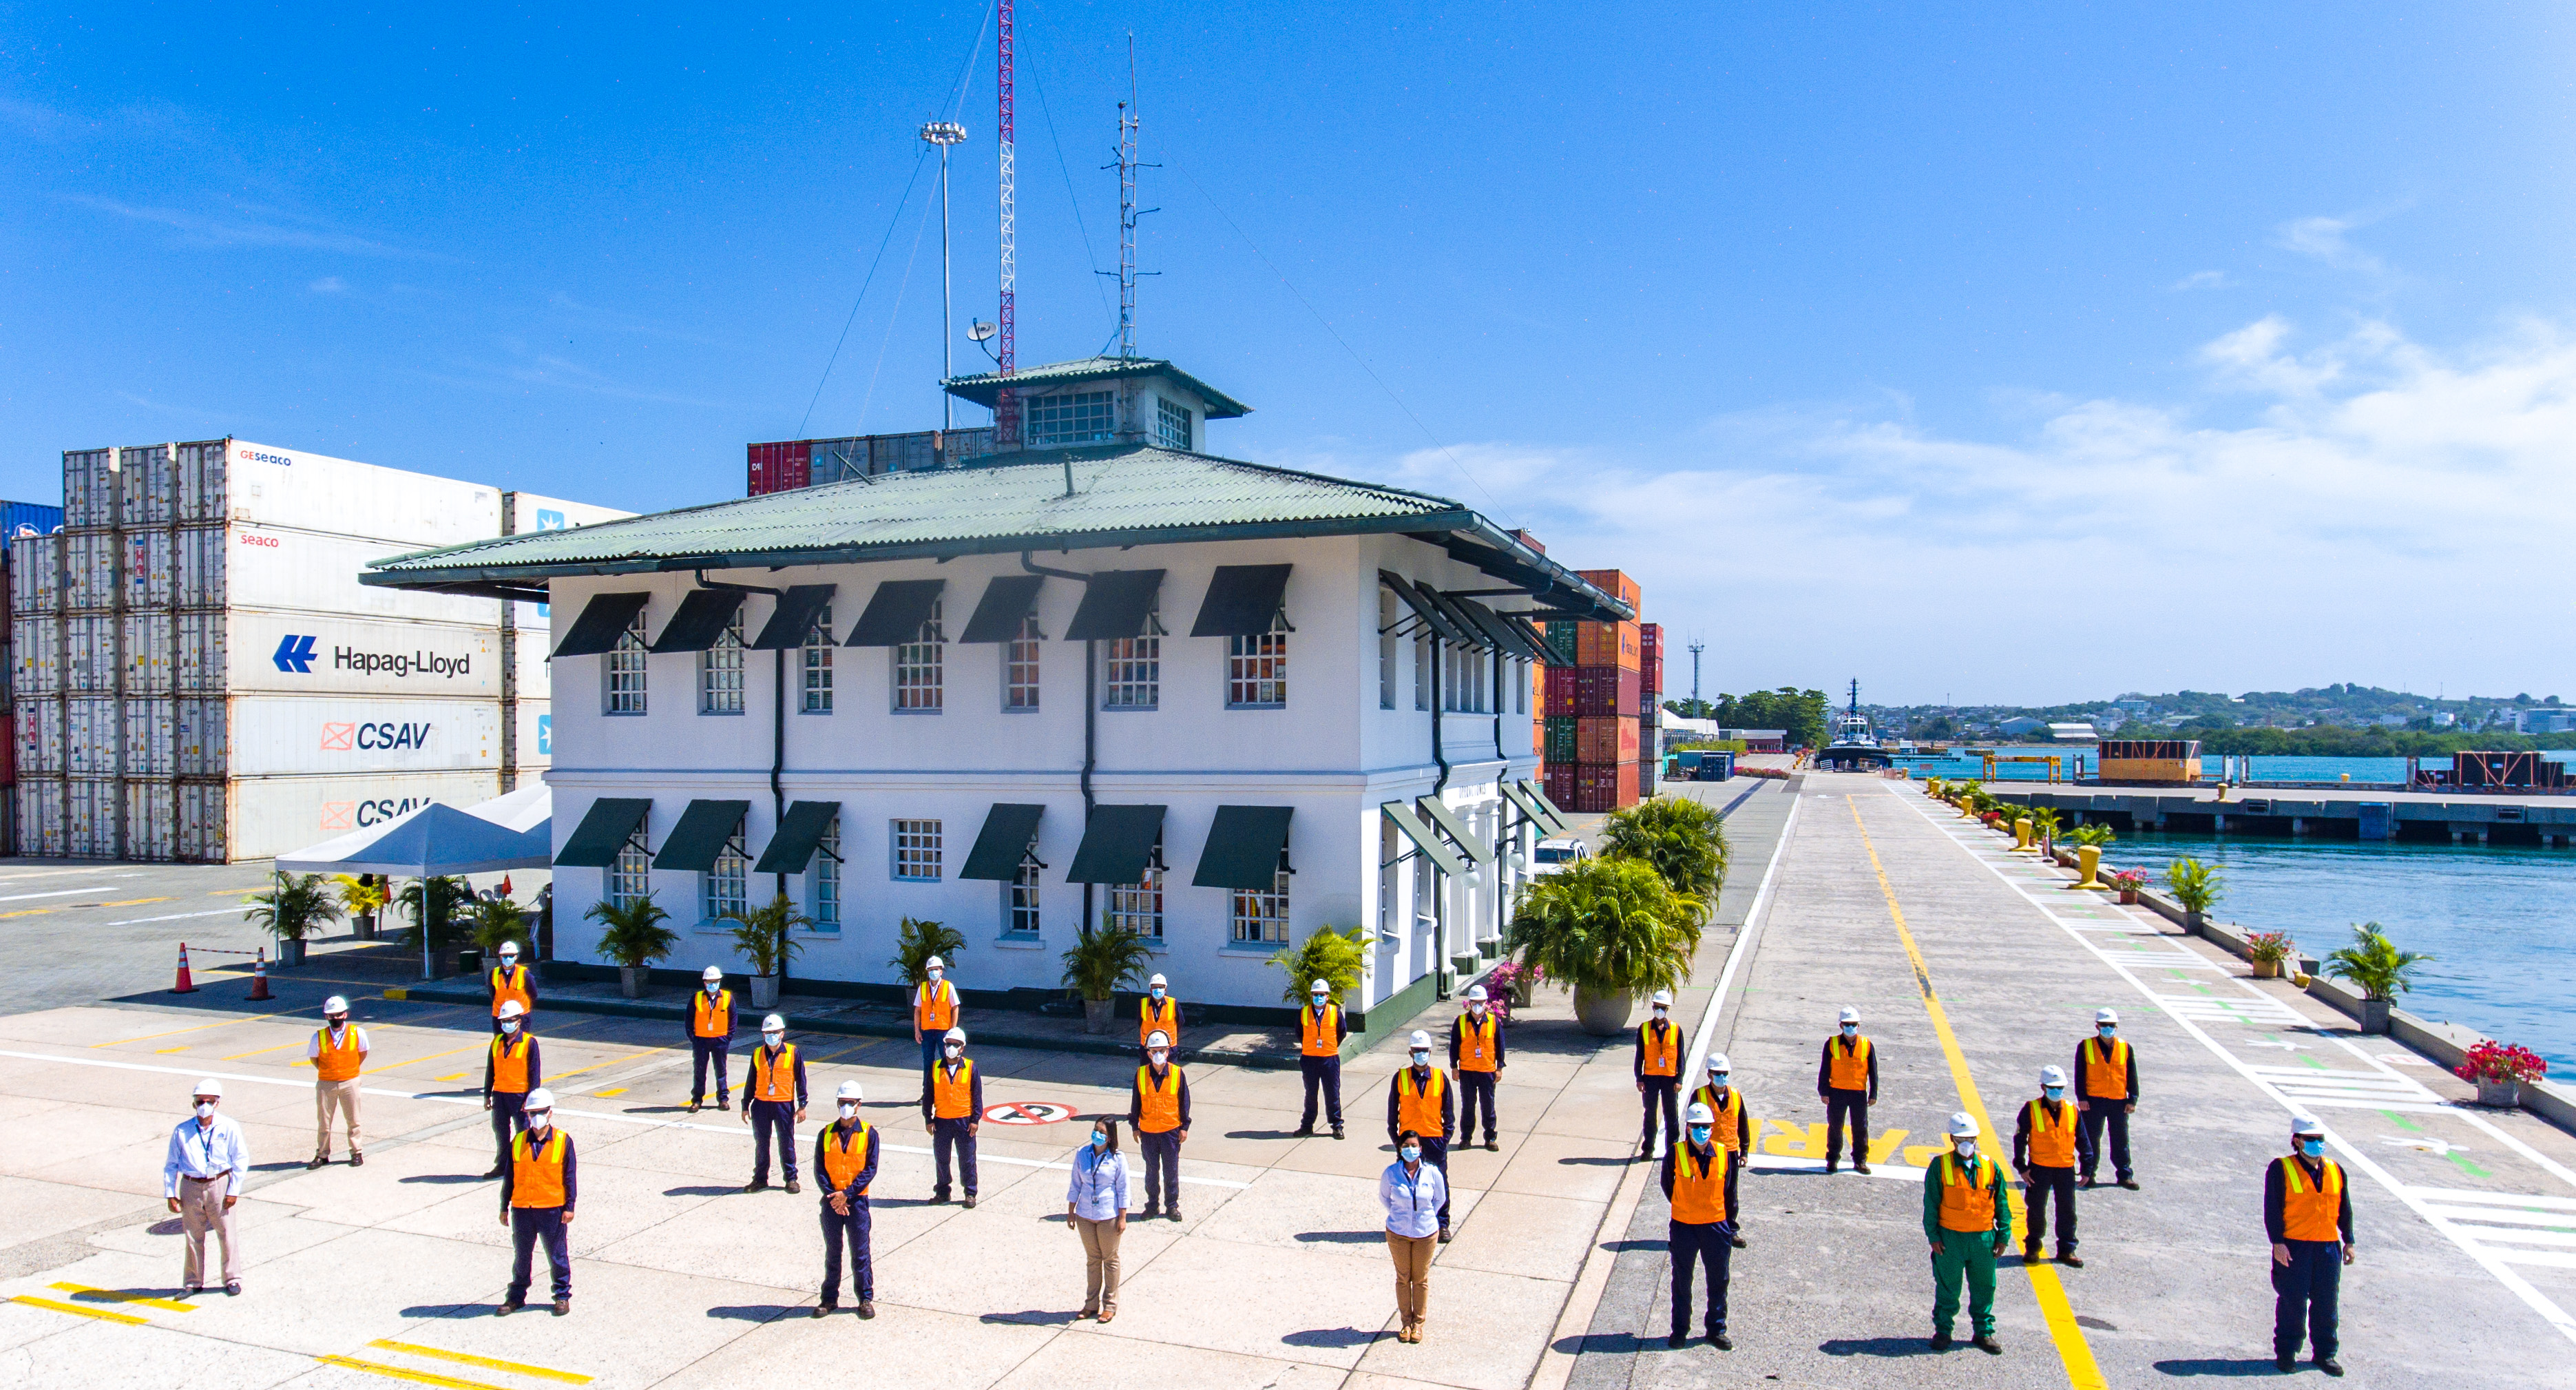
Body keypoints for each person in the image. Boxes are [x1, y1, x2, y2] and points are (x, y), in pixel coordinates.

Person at [2266, 1117, 2353, 1376]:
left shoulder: (2336, 1169)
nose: (2316, 1144)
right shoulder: (2281, 1168)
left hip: (2327, 1247)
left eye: (2320, 1139)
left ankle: (2325, 1354)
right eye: (2310, 1139)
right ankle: (2286, 1353)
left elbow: (2344, 1208)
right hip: (2295, 1246)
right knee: (2293, 1301)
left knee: (2327, 1303)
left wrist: (2349, 1240)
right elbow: (2273, 1208)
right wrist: (2277, 1242)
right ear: (2296, 1141)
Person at [1924, 1112, 2011, 1353]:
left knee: (1985, 1287)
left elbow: (2002, 1203)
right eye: (1961, 1138)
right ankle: (1943, 1331)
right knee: (1948, 1287)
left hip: (1983, 1239)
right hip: (1951, 1239)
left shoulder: (1991, 1167)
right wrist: (1934, 1237)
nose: (1966, 1143)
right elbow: (1931, 1204)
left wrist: (2003, 1235)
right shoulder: (1940, 1166)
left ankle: (1983, 1332)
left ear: (1976, 1138)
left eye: (1970, 1138)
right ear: (1951, 1139)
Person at [162, 1079, 248, 1296]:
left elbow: (240, 1159)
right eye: (201, 1101)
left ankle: (232, 1278)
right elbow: (171, 1164)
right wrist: (170, 1194)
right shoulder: (182, 1131)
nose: (204, 1105)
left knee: (226, 1233)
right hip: (191, 1185)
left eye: (209, 1101)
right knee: (193, 1235)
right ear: (194, 1104)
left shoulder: (228, 1127)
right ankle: (193, 1281)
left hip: (219, 1183)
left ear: (217, 1103)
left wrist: (233, 1190)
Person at [1662, 1101, 1737, 1350]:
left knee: (1718, 1279)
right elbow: (1667, 1185)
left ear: (1712, 1128)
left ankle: (1716, 1329)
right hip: (1684, 1226)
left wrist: (1726, 1223)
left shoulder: (1724, 1153)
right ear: (1688, 1128)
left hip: (1715, 1226)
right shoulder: (1676, 1152)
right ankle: (1680, 1330)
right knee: (1682, 1280)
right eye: (1696, 1127)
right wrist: (1685, 1205)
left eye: (1706, 1127)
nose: (1701, 1132)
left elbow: (1730, 1191)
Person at [497, 1088, 574, 1316]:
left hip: (552, 1209)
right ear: (527, 1114)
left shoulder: (563, 1141)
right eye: (532, 1112)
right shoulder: (518, 1140)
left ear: (550, 1113)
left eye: (541, 1111)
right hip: (523, 1209)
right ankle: (516, 1298)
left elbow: (569, 1176)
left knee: (557, 1255)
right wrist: (504, 1206)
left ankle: (562, 1296)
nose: (537, 1116)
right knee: (522, 1256)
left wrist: (570, 1207)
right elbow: (510, 1176)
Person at [813, 1079, 879, 1318]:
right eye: (842, 1102)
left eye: (850, 1103)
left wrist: (847, 1194)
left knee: (860, 1252)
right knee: (833, 1251)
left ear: (859, 1105)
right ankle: (829, 1299)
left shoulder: (869, 1134)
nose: (845, 1107)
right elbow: (820, 1169)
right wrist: (833, 1197)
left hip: (857, 1203)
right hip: (832, 1203)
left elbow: (870, 1169)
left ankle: (865, 1298)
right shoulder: (826, 1134)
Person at [1386, 1030, 1456, 1242]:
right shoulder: (1400, 1078)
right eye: (1417, 1051)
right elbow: (1392, 1114)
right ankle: (1408, 1223)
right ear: (1410, 1053)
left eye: (1424, 1051)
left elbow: (1449, 1114)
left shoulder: (1440, 1077)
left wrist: (1444, 1140)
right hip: (1408, 1142)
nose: (1421, 1054)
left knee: (1438, 1183)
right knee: (1407, 1184)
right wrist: (1398, 1142)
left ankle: (1442, 1224)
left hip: (1434, 1139)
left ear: (1430, 1052)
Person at [1380, 1128, 1449, 1343]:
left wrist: (1424, 1217)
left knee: (1420, 1279)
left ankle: (1418, 1324)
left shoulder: (1432, 1172)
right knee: (1403, 1278)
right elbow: (1385, 1199)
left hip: (1425, 1234)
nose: (1410, 1150)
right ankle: (1405, 1323)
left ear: (1420, 1149)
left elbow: (1440, 1199)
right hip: (1398, 1233)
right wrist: (1402, 1215)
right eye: (1406, 1146)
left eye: (1414, 1146)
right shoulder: (1391, 1173)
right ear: (1400, 1149)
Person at [2013, 1066, 2083, 1267]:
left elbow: (2083, 1139)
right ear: (2043, 1087)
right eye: (2052, 1087)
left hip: (2065, 1168)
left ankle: (2067, 1250)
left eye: (2060, 1087)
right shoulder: (2031, 1108)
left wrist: (2087, 1167)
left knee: (2067, 1211)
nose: (2056, 1091)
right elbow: (2020, 1138)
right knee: (2036, 1210)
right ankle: (2033, 1248)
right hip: (2039, 1169)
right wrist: (2022, 1166)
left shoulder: (2072, 1110)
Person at [1067, 1117, 1131, 1323]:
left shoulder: (1117, 1159)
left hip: (1108, 1215)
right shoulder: (1082, 1154)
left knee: (1109, 1259)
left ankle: (1110, 1305)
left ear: (1110, 1136)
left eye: (1101, 1131)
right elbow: (1076, 1183)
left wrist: (1122, 1217)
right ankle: (1091, 1304)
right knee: (1093, 1260)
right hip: (1085, 1214)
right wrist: (1071, 1210)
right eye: (1095, 1129)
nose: (1097, 1134)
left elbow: (1123, 1189)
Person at [1688, 1053, 1752, 1248]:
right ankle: (1701, 1229)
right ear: (1709, 1074)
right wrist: (1692, 1151)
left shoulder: (1735, 1095)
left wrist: (1745, 1151)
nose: (1721, 1077)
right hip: (1708, 1152)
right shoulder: (1699, 1096)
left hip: (1731, 1152)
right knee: (1705, 1191)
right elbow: (1691, 1126)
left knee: (1730, 1193)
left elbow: (1743, 1123)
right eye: (1717, 1073)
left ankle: (1730, 1231)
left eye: (1724, 1073)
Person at [2074, 1007, 2140, 1190]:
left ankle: (2125, 1175)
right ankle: (2089, 1174)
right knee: (2091, 1139)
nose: (2108, 1028)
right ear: (2097, 1026)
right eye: (2104, 1025)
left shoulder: (2125, 1047)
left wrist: (2132, 1099)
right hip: (2093, 1101)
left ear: (2116, 1027)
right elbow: (2080, 1075)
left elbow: (2132, 1075)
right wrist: (2082, 1098)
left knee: (2120, 1139)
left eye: (2111, 1025)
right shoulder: (2085, 1046)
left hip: (2118, 1101)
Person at [1128, 1030, 1191, 1221]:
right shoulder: (1140, 1074)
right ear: (1148, 1053)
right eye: (1154, 1050)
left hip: (1170, 1131)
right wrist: (1135, 1126)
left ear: (1168, 1051)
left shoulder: (1178, 1074)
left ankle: (1171, 1206)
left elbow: (1184, 1101)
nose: (1158, 1054)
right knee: (1151, 1171)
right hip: (1148, 1132)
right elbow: (1136, 1102)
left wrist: (1184, 1127)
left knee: (1171, 1171)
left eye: (1162, 1050)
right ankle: (1152, 1206)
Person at [740, 1014, 807, 1192]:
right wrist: (745, 1106)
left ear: (782, 1033)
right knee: (762, 1143)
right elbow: (750, 1081)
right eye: (768, 1032)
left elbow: (801, 1080)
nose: (772, 1035)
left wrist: (802, 1105)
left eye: (775, 1032)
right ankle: (760, 1179)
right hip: (761, 1104)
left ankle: (791, 1179)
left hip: (783, 1105)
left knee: (786, 1142)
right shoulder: (757, 1054)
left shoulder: (793, 1053)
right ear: (763, 1035)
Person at [482, 1001, 542, 1179]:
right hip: (500, 1095)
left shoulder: (529, 1043)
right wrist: (487, 1094)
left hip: (520, 1096)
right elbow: (490, 1070)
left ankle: (524, 1166)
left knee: (523, 1132)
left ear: (519, 1021)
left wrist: (530, 1100)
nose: (506, 1024)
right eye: (503, 1020)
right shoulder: (496, 1042)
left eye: (510, 1020)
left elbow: (535, 1075)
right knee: (501, 1131)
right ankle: (502, 1165)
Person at [308, 995, 368, 1169]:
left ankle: (356, 1152)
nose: (335, 1019)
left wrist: (349, 1070)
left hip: (350, 1081)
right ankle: (322, 1154)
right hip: (327, 1083)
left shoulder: (357, 1033)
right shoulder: (318, 1037)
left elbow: (362, 1053)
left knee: (354, 1120)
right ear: (326, 1017)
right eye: (331, 1016)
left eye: (338, 1015)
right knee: (324, 1122)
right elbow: (315, 1059)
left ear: (345, 1015)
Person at [923, 1026, 982, 1206]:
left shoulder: (971, 1068)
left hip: (964, 1120)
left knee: (967, 1159)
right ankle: (943, 1192)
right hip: (942, 1121)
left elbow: (977, 1096)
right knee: (941, 1158)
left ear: (962, 1048)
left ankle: (970, 1193)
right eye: (948, 1044)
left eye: (955, 1045)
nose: (951, 1048)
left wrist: (975, 1120)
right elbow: (928, 1094)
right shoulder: (935, 1068)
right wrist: (928, 1118)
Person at [1816, 1006, 1878, 1175]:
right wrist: (1824, 1091)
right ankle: (1832, 1159)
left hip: (1858, 1093)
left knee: (1860, 1128)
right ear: (1841, 1026)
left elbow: (1873, 1070)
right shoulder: (1831, 1043)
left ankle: (1860, 1161)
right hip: (1837, 1092)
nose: (1850, 1027)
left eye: (1853, 1024)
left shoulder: (1867, 1044)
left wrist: (1873, 1093)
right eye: (1847, 1024)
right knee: (1835, 1127)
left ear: (1858, 1026)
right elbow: (1824, 1069)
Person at [1449, 984, 1505, 1151]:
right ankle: (1466, 1138)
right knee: (1468, 1106)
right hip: (1467, 1071)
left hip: (1487, 1071)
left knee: (1488, 1106)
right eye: (1475, 1002)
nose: (1478, 1006)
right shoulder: (1460, 1022)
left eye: (1481, 1002)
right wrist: (1454, 1067)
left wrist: (1499, 1067)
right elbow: (1454, 1046)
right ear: (1470, 1003)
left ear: (1486, 1002)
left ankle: (1490, 1138)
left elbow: (1500, 1046)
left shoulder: (1494, 1022)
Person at [1294, 978, 1348, 1140]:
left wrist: (1330, 1046)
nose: (1319, 997)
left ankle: (1337, 1126)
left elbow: (1342, 1032)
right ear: (1311, 996)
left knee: (1332, 1093)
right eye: (1316, 994)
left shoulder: (1335, 1012)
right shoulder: (1303, 1012)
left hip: (1329, 1059)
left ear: (1327, 996)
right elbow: (1299, 1032)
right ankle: (1307, 1126)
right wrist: (1310, 1046)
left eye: (1322, 995)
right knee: (1311, 1093)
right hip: (1310, 1059)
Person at [1635, 988, 1682, 1158]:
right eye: (1657, 1007)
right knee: (1650, 1114)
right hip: (1651, 1078)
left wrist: (1679, 1079)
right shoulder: (1644, 1029)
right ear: (1653, 1007)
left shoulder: (1676, 1030)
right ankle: (1648, 1149)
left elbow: (1680, 1057)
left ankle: (1672, 1150)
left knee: (1671, 1115)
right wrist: (1639, 1078)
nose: (1659, 1010)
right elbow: (1639, 1055)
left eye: (1663, 1007)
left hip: (1670, 1079)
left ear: (1667, 1009)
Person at [687, 966, 734, 1113]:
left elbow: (733, 1018)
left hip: (720, 1040)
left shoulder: (727, 997)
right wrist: (693, 1037)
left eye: (715, 981)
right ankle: (697, 1100)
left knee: (721, 1070)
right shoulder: (697, 998)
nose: (712, 984)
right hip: (701, 1040)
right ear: (704, 982)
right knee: (700, 1071)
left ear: (720, 981)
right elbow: (689, 1018)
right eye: (709, 981)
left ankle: (723, 1099)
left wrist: (728, 1037)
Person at [913, 956, 959, 1105]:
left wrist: (953, 1030)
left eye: (936, 969)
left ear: (941, 971)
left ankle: (947, 1091)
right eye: (931, 970)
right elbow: (917, 1011)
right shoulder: (923, 987)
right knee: (928, 1062)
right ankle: (927, 1093)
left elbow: (955, 1008)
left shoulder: (948, 987)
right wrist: (917, 1030)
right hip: (927, 1030)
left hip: (944, 1031)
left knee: (946, 1061)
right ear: (928, 971)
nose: (934, 972)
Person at [487, 940, 535, 1034]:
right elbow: (492, 994)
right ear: (500, 957)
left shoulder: (524, 973)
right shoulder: (494, 973)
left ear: (516, 957)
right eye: (505, 956)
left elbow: (533, 994)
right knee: (500, 1045)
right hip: (500, 1016)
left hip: (520, 1017)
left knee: (521, 1045)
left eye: (511, 955)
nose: (508, 958)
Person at [1138, 973, 1180, 1061]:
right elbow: (1140, 1022)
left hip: (1169, 1048)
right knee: (1147, 1073)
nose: (1158, 990)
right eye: (1155, 987)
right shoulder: (1143, 1004)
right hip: (1148, 1048)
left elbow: (1180, 1022)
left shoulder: (1173, 1003)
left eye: (1161, 987)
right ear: (1151, 990)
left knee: (1170, 1073)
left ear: (1165, 989)